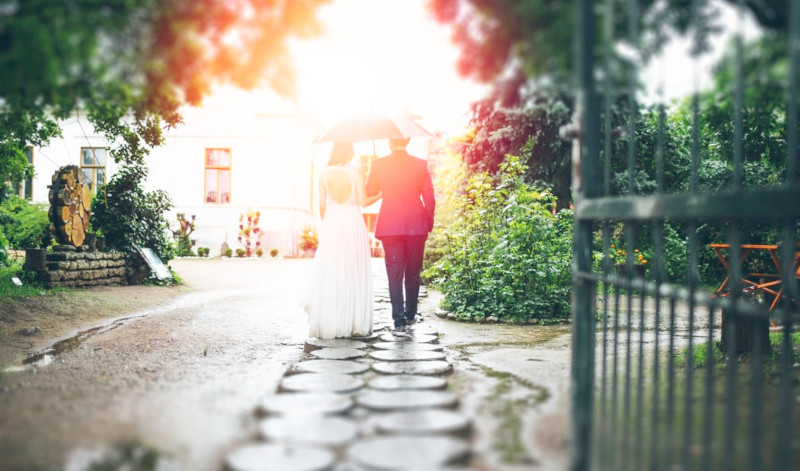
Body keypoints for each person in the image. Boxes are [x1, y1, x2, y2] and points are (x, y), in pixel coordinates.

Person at [305, 142, 379, 339]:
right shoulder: (357, 171)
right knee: (353, 267)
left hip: (332, 222)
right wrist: (381, 193)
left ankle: (330, 320)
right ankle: (354, 321)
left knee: (332, 268)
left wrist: (330, 224)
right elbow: (364, 202)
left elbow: (322, 206)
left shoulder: (323, 173)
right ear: (350, 152)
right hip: (353, 221)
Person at [366, 137, 435, 333]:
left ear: (389, 143)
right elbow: (429, 198)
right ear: (407, 141)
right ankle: (411, 314)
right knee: (413, 272)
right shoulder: (421, 164)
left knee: (394, 274)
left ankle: (398, 319)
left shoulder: (378, 164)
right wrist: (428, 223)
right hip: (416, 226)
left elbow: (370, 191)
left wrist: (375, 171)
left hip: (390, 226)